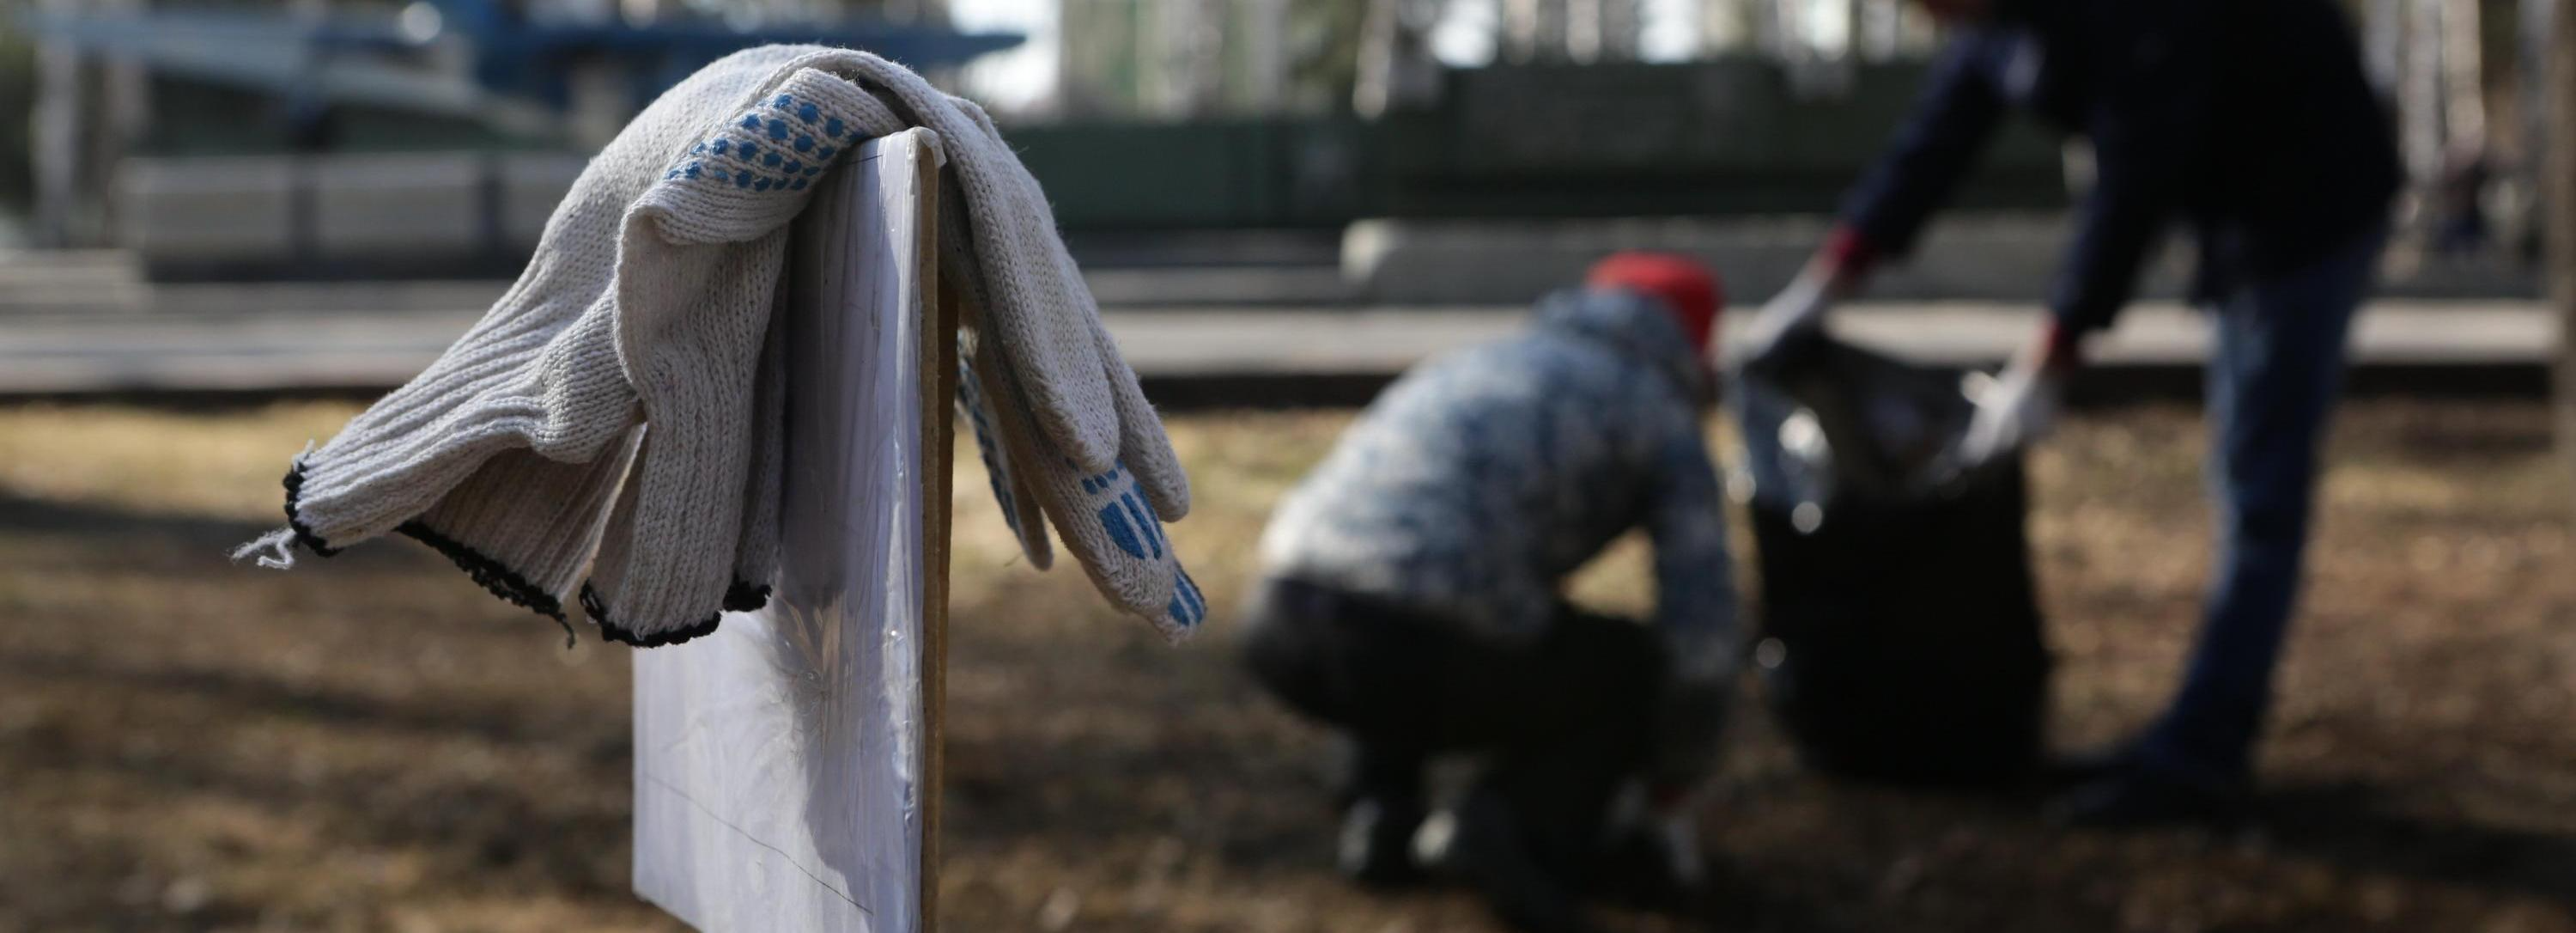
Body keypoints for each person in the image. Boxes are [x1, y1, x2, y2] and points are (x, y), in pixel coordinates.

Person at [1740, 0, 2402, 825]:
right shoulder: (1993, 24)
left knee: (2260, 493)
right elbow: (1935, 143)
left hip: (2309, 200)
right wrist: (1826, 283)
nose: (1930, 20)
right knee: (2246, 479)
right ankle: (2195, 740)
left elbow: (2136, 168)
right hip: (2233, 199)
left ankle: (2202, 756)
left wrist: (2050, 358)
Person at [1243, 253, 1738, 932]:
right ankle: (1510, 829)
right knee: (1628, 668)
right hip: (1414, 634)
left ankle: (1381, 818)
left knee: (1408, 599)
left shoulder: (1483, 359)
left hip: (1278, 611)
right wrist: (1676, 771)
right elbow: (1702, 634)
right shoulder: (1659, 411)